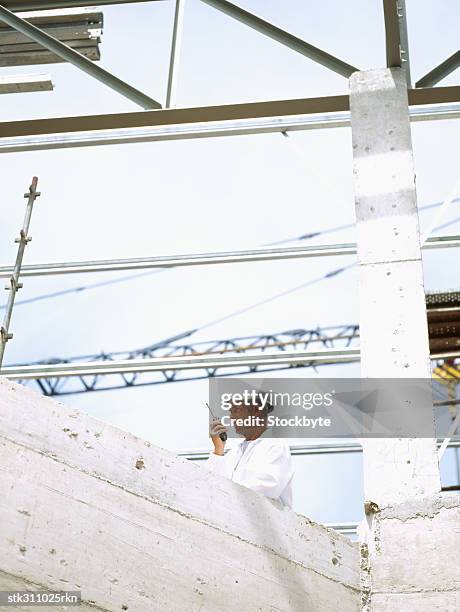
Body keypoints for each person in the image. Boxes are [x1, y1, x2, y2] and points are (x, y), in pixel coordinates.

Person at [205, 395, 294, 508]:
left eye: (236, 410)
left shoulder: (275, 446)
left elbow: (263, 490)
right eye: (230, 412)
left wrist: (222, 493)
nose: (231, 417)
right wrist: (218, 450)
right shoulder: (233, 453)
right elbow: (208, 485)